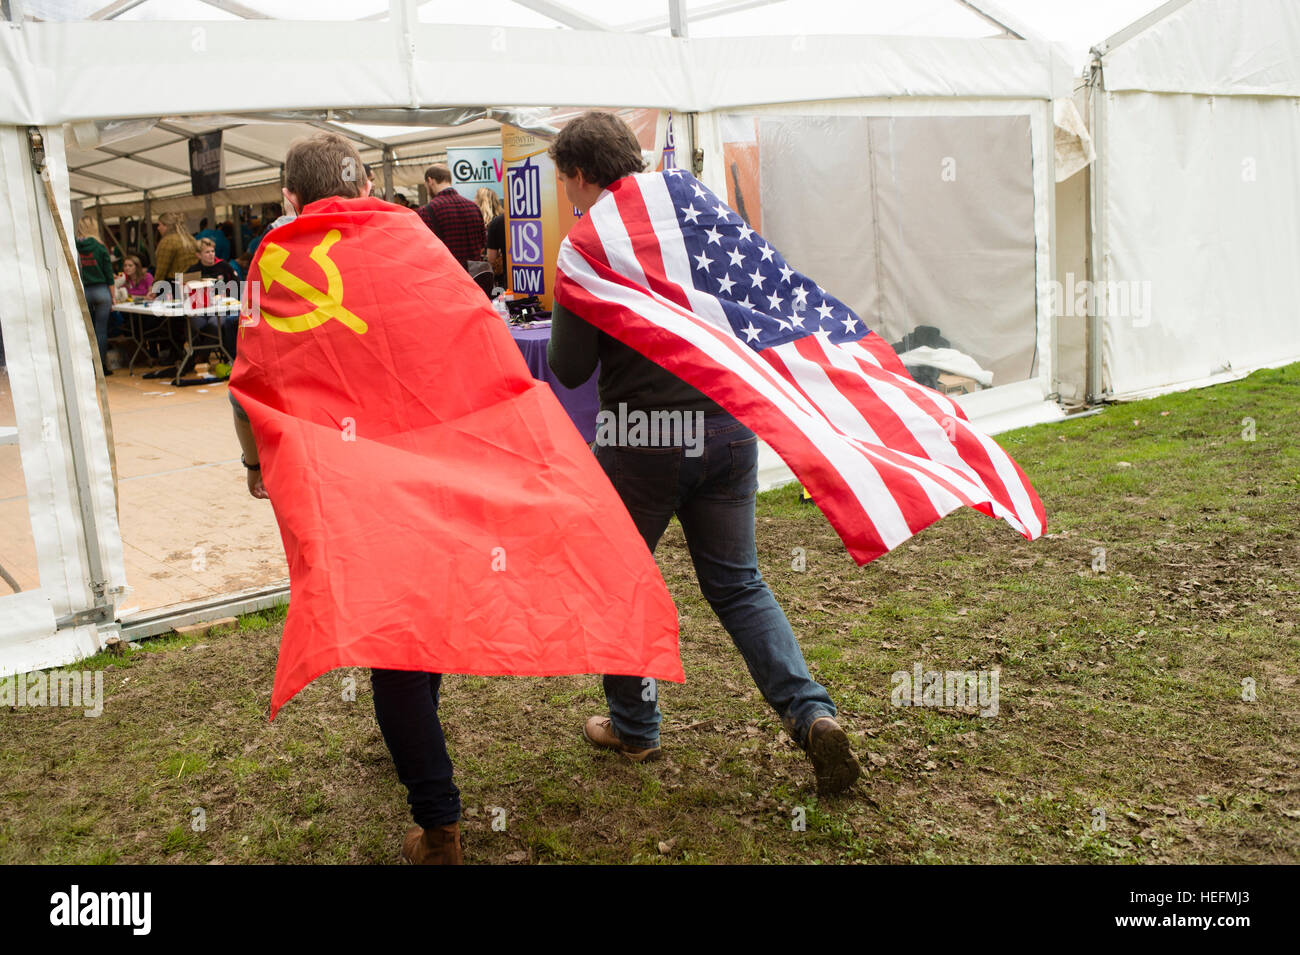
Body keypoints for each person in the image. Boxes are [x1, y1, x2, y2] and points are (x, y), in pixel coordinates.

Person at [546, 111, 861, 795]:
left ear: (579, 175)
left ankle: (635, 724)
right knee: (739, 584)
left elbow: (568, 369)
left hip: (644, 439)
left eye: (564, 181)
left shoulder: (587, 241)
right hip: (727, 423)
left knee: (619, 577)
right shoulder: (697, 208)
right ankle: (810, 714)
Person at [229, 132, 464, 864]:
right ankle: (428, 773)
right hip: (424, 454)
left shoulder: (275, 260)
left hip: (345, 468)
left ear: (291, 197)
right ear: (363, 187)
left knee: (389, 636)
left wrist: (253, 460)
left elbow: (250, 378)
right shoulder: (411, 240)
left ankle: (441, 826)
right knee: (413, 617)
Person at [416, 164, 485, 271]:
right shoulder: (474, 207)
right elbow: (482, 244)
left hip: (447, 277)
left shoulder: (426, 211)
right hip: (474, 278)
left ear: (430, 181)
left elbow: (423, 250)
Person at [184, 237, 240, 363]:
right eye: (207, 252)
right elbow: (184, 289)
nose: (211, 255)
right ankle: (196, 354)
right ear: (198, 255)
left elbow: (236, 285)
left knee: (215, 324)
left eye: (212, 251)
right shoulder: (193, 270)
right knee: (192, 324)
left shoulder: (223, 266)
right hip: (201, 309)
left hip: (221, 309)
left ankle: (202, 356)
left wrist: (227, 295)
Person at [75, 215, 114, 374]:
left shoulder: (74, 246)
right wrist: (113, 296)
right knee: (101, 331)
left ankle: (87, 367)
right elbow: (109, 273)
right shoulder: (100, 246)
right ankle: (101, 366)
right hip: (102, 291)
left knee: (85, 330)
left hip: (84, 290)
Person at [151, 211, 199, 299]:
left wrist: (155, 288)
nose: (158, 228)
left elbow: (161, 269)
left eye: (159, 225)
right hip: (193, 281)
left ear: (166, 226)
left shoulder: (167, 241)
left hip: (174, 285)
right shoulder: (190, 238)